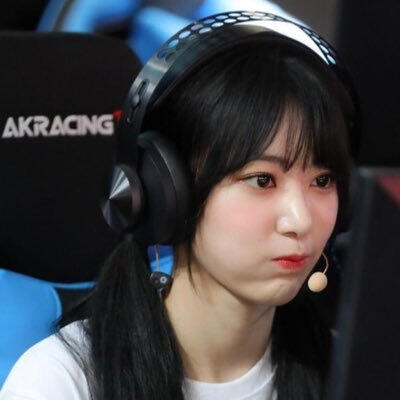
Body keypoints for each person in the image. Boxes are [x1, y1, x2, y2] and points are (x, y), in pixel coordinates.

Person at [0, 11, 357, 400]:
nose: (300, 220)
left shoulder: (348, 370)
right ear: (166, 190)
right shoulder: (63, 382)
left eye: (322, 181)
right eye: (262, 180)